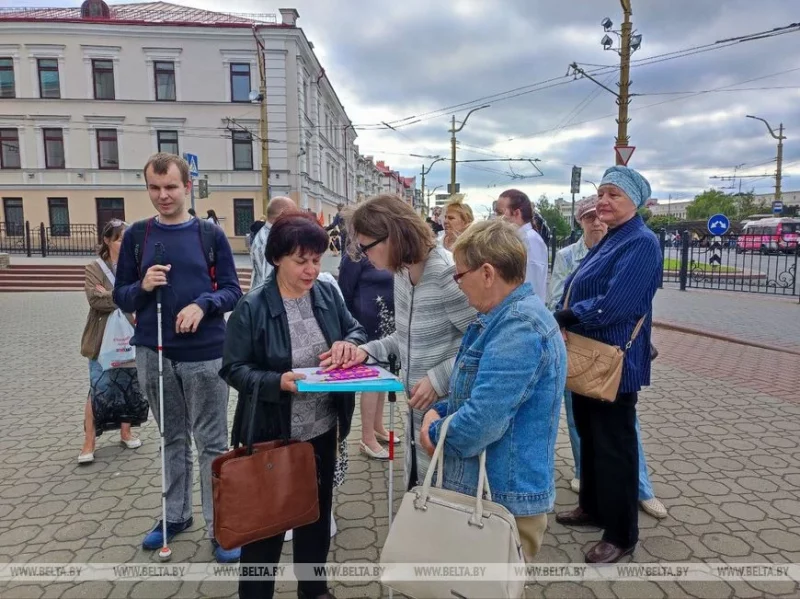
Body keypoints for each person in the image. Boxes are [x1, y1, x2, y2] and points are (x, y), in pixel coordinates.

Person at [220, 211, 367, 599]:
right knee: (266, 528)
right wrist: (275, 382)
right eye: (301, 261)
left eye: (317, 260)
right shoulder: (252, 307)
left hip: (321, 429)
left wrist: (348, 343)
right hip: (273, 434)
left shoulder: (327, 293)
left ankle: (314, 589)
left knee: (315, 518)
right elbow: (233, 369)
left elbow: (354, 327)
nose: (311, 270)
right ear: (276, 259)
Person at [113, 153, 243, 563]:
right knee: (171, 437)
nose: (162, 195)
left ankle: (221, 526)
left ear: (188, 186)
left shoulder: (210, 234)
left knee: (212, 443)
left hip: (205, 355)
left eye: (170, 187)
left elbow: (233, 291)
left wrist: (204, 305)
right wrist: (144, 287)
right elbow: (121, 295)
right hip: (154, 352)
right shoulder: (137, 236)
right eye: (154, 188)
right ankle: (176, 515)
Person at [419, 219, 566, 562]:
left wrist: (435, 431)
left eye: (459, 275)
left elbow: (481, 421)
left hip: (502, 499)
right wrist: (438, 410)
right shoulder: (502, 318)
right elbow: (472, 396)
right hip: (490, 492)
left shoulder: (519, 328)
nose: (458, 286)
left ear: (487, 273)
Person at [554, 166, 661, 564]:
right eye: (601, 193)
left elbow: (616, 305)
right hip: (589, 354)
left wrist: (564, 317)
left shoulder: (641, 243)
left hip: (613, 359)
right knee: (590, 436)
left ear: (635, 201)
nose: (603, 201)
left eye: (613, 194)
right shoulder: (613, 238)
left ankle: (621, 533)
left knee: (615, 444)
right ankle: (593, 507)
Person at [343, 194, 476, 487]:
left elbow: (485, 344)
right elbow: (403, 338)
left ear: (392, 237)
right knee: (420, 506)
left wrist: (438, 379)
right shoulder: (402, 272)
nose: (365, 256)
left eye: (367, 247)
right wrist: (365, 351)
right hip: (417, 422)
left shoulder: (446, 274)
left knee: (444, 513)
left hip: (450, 422)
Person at [78, 219, 144, 464]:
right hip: (102, 337)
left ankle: (126, 431)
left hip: (130, 335)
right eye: (118, 239)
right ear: (107, 240)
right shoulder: (94, 267)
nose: (123, 243)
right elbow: (95, 300)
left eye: (126, 238)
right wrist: (124, 295)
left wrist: (112, 294)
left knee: (127, 384)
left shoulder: (134, 267)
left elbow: (140, 295)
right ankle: (89, 441)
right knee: (99, 386)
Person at [337, 253, 396, 459]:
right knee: (371, 380)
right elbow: (344, 293)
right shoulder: (354, 256)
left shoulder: (388, 246)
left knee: (383, 376)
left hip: (387, 324)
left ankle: (378, 427)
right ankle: (367, 438)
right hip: (366, 326)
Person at [494, 189, 549, 301]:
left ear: (517, 213)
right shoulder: (518, 239)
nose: (496, 218)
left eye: (500, 213)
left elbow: (532, 285)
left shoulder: (531, 240)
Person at [249, 196, 296, 289]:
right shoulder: (268, 242)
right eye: (295, 215)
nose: (297, 219)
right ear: (284, 215)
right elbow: (271, 285)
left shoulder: (272, 235)